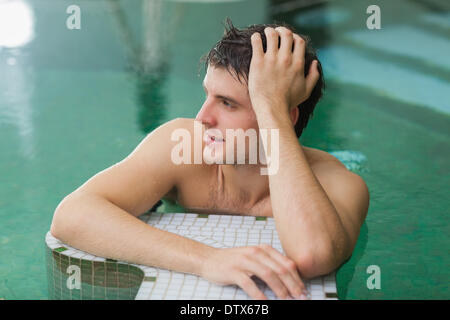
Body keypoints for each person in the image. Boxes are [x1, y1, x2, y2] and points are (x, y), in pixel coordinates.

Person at [50, 18, 369, 300]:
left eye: (227, 103)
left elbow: (314, 256)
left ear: (284, 116)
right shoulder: (181, 148)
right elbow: (71, 216)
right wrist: (208, 259)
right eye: (207, 95)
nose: (202, 118)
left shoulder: (337, 182)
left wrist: (272, 109)